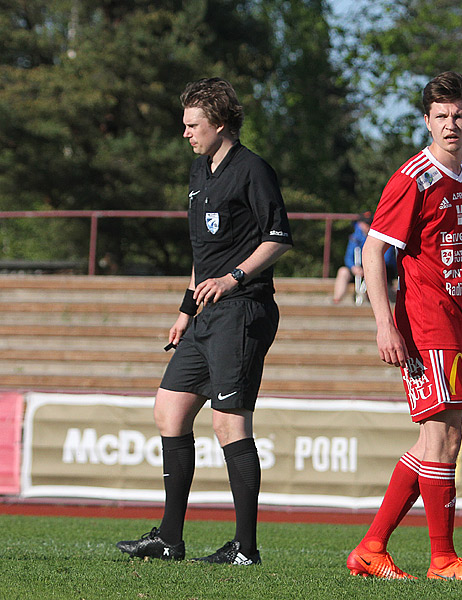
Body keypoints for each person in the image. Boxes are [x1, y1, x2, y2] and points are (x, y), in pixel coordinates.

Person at [116, 78, 293, 565]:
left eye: (193, 125)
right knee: (168, 411)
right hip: (206, 313)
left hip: (243, 309)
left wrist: (235, 278)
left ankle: (245, 548)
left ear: (219, 123)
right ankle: (170, 539)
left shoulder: (253, 169)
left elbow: (278, 237)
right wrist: (185, 309)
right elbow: (203, 252)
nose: (187, 133)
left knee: (229, 423)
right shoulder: (200, 170)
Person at [345, 71, 462, 581]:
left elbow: (454, 258)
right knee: (443, 443)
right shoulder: (415, 176)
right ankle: (443, 560)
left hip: (455, 323)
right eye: (441, 116)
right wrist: (383, 323)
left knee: (434, 445)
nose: (451, 124)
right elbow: (373, 250)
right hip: (423, 323)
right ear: (426, 121)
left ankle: (371, 549)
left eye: (459, 115)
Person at [331, 212, 397, 304]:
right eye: (366, 224)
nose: (368, 226)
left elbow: (387, 259)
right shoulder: (355, 238)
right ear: (360, 224)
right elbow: (348, 257)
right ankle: (336, 302)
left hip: (379, 269)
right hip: (360, 269)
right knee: (343, 272)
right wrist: (354, 268)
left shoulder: (382, 236)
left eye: (370, 223)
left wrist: (368, 269)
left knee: (377, 275)